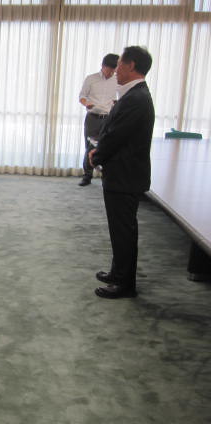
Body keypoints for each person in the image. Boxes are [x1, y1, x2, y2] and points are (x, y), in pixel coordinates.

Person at [89, 46, 155, 299]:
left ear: (131, 65)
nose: (116, 70)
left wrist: (97, 155)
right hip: (122, 173)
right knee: (120, 230)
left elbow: (117, 136)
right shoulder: (134, 95)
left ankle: (125, 284)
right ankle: (118, 273)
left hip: (125, 176)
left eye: (119, 65)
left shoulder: (136, 98)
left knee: (124, 231)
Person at [78, 53, 119, 186]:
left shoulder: (117, 80)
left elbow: (120, 97)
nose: (111, 73)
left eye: (114, 70)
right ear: (102, 66)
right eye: (109, 69)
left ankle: (105, 176)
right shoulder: (91, 79)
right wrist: (86, 103)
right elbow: (82, 96)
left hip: (108, 118)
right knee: (90, 146)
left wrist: (116, 104)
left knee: (107, 147)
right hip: (93, 118)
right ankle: (87, 176)